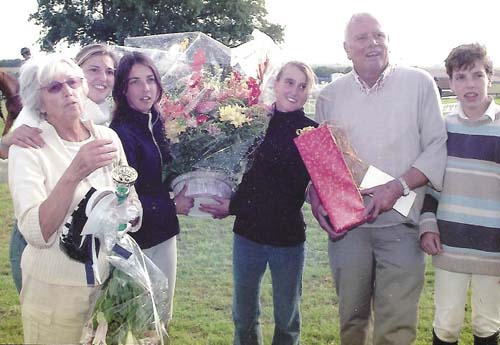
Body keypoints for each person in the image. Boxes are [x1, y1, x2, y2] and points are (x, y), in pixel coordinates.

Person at [309, 13, 448, 345]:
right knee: (352, 322)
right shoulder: (330, 96)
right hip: (349, 231)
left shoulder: (419, 84)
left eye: (379, 36)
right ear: (346, 49)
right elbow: (321, 163)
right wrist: (315, 196)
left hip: (401, 225)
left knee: (396, 327)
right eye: (362, 38)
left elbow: (436, 146)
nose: (372, 43)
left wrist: (396, 187)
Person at [8, 53, 140, 344]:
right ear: (38, 102)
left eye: (72, 82)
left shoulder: (107, 138)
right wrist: (75, 172)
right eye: (54, 88)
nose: (68, 91)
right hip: (55, 292)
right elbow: (36, 232)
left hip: (108, 284)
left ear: (83, 88)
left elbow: (131, 201)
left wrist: (127, 214)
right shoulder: (29, 148)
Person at [200, 61, 318, 345]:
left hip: (287, 240)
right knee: (243, 316)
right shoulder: (252, 123)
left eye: (303, 86)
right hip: (248, 236)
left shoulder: (312, 133)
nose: (294, 90)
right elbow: (244, 176)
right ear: (276, 84)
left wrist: (234, 206)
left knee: (287, 320)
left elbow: (286, 191)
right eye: (289, 82)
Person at [4, 43, 118, 294]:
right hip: (43, 245)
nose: (103, 78)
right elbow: (13, 151)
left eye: (109, 72)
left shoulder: (106, 117)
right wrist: (6, 141)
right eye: (94, 70)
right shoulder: (35, 121)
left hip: (93, 257)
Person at [420, 43, 500, 345]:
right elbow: (429, 184)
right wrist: (427, 225)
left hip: (493, 249)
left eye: (477, 75)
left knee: (487, 324)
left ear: (489, 78)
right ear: (451, 83)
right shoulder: (442, 130)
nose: (470, 85)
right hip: (449, 245)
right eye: (462, 77)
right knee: (446, 324)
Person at [110, 51, 193, 325]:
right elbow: (122, 197)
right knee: (139, 319)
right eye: (135, 81)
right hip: (137, 241)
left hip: (164, 233)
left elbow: (164, 174)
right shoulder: (121, 132)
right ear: (123, 88)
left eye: (150, 80)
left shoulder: (159, 122)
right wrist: (171, 205)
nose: (145, 88)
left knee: (161, 316)